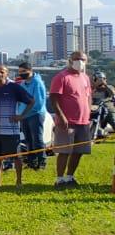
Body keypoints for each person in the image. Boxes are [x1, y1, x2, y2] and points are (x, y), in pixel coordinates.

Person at [0, 64, 34, 187]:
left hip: (10, 130)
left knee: (16, 156)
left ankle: (19, 181)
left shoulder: (14, 87)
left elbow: (31, 101)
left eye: (2, 72)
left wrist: (21, 116)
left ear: (7, 73)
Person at [48, 51, 93, 188]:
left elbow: (88, 96)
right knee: (64, 151)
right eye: (77, 59)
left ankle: (70, 176)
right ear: (70, 60)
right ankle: (60, 179)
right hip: (67, 121)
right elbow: (54, 98)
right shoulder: (61, 77)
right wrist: (61, 116)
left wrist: (89, 112)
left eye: (83, 59)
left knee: (79, 151)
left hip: (83, 121)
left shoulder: (85, 78)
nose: (80, 62)